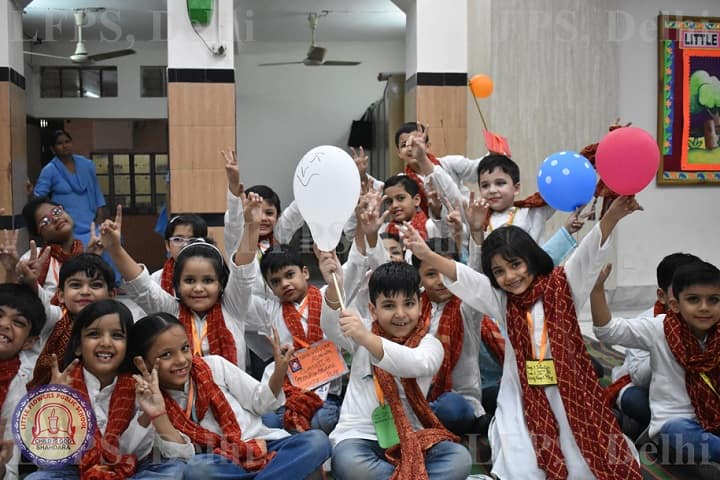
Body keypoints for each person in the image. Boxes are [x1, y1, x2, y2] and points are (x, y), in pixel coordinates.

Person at [404, 195, 644, 479]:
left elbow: (589, 252)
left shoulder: (563, 284)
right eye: (499, 272)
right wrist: (428, 255)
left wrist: (612, 216)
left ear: (530, 259)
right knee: (522, 467)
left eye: (516, 264)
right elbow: (467, 279)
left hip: (571, 391)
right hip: (520, 392)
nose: (510, 276)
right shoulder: (502, 299)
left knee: (584, 467)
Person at [128, 313, 332, 479]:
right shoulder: (147, 399)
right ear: (142, 363)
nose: (181, 360)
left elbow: (260, 403)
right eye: (166, 355)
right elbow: (184, 457)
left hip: (260, 443)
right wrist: (159, 415)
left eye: (185, 348)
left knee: (317, 441)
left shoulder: (214, 365)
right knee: (197, 470)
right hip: (220, 463)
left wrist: (279, 372)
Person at [320, 260, 471, 480]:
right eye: (389, 305)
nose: (400, 314)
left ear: (420, 305)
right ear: (373, 309)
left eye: (408, 304)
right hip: (360, 436)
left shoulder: (429, 344)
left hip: (412, 436)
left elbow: (414, 363)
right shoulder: (362, 332)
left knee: (459, 459)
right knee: (348, 462)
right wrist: (334, 287)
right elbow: (331, 323)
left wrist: (367, 338)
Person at [25, 300, 187, 479]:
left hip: (129, 469)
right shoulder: (62, 384)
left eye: (117, 335)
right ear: (78, 346)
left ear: (128, 347)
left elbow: (132, 452)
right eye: (94, 334)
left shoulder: (139, 385)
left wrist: (145, 417)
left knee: (173, 471)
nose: (106, 343)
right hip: (75, 471)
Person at [592, 261, 720, 463]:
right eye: (694, 300)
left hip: (715, 417)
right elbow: (607, 331)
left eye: (713, 300)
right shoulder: (659, 328)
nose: (704, 308)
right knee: (677, 432)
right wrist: (597, 289)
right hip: (677, 422)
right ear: (675, 304)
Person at [101, 205, 252, 370]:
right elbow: (141, 285)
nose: (198, 288)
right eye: (189, 280)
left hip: (229, 395)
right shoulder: (171, 310)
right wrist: (115, 249)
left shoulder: (233, 307)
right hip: (181, 394)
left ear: (221, 283)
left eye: (208, 280)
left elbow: (243, 272)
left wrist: (252, 225)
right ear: (177, 285)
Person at [606, 252, 702, 438]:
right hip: (646, 390)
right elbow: (639, 378)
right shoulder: (647, 322)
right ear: (662, 295)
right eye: (683, 290)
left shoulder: (705, 319)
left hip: (693, 395)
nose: (694, 300)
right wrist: (669, 349)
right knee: (638, 403)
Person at [411, 238, 486, 435]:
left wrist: (476, 233)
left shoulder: (467, 306)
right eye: (431, 274)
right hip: (417, 394)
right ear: (419, 277)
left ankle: (421, 421)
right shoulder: (412, 306)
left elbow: (475, 279)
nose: (441, 281)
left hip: (459, 399)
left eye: (447, 273)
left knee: (451, 409)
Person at [21, 253, 116, 387]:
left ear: (111, 295)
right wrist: (31, 282)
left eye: (95, 285)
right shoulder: (55, 318)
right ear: (61, 295)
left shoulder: (117, 326)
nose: (85, 291)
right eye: (76, 285)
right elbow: (41, 304)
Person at [0, 283, 46, 480]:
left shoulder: (16, 389)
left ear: (29, 342)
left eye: (18, 322)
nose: (4, 324)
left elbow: (9, 466)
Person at [33, 130, 106, 248]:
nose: (64, 145)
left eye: (67, 141)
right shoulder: (49, 170)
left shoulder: (87, 165)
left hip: (92, 223)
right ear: (53, 149)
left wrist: (99, 218)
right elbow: (39, 198)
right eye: (59, 143)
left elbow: (96, 191)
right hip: (68, 228)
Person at [151, 214, 208, 294]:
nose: (185, 245)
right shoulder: (156, 280)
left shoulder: (215, 274)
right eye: (177, 239)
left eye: (192, 240)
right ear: (167, 245)